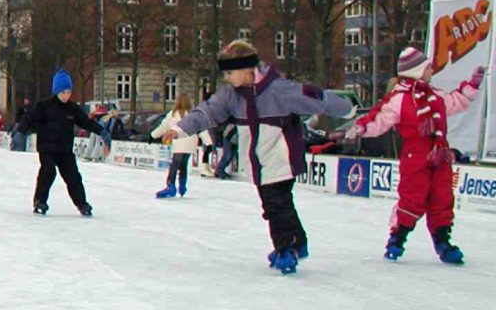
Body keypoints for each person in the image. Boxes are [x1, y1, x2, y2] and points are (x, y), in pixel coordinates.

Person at [164, 40, 356, 275]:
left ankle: (286, 249)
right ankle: (297, 243)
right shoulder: (231, 96)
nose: (227, 78)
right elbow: (207, 111)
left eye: (230, 72)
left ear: (248, 69)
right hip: (258, 164)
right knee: (277, 204)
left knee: (276, 205)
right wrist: (181, 128)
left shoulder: (279, 90)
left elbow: (315, 97)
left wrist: (347, 109)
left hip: (281, 159)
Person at [347, 47, 486, 264]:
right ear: (417, 71)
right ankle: (397, 238)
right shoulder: (399, 99)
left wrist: (473, 85)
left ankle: (443, 242)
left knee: (442, 199)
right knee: (412, 199)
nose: (431, 70)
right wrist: (361, 128)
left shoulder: (436, 96)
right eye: (428, 67)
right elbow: (380, 119)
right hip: (416, 157)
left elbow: (456, 101)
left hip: (439, 156)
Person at [27, 69, 107, 217]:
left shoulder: (73, 108)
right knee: (48, 172)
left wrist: (101, 131)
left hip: (64, 149)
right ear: (56, 91)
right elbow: (30, 118)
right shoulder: (44, 106)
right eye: (63, 92)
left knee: (73, 176)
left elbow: (86, 122)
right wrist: (20, 129)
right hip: (47, 148)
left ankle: (82, 204)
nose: (66, 95)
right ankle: (40, 200)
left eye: (68, 92)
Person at [151, 94, 213, 198]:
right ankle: (182, 186)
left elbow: (163, 127)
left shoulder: (173, 114)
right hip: (191, 142)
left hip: (179, 141)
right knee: (183, 165)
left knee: (175, 165)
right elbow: (202, 129)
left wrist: (153, 135)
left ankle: (170, 186)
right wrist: (208, 142)